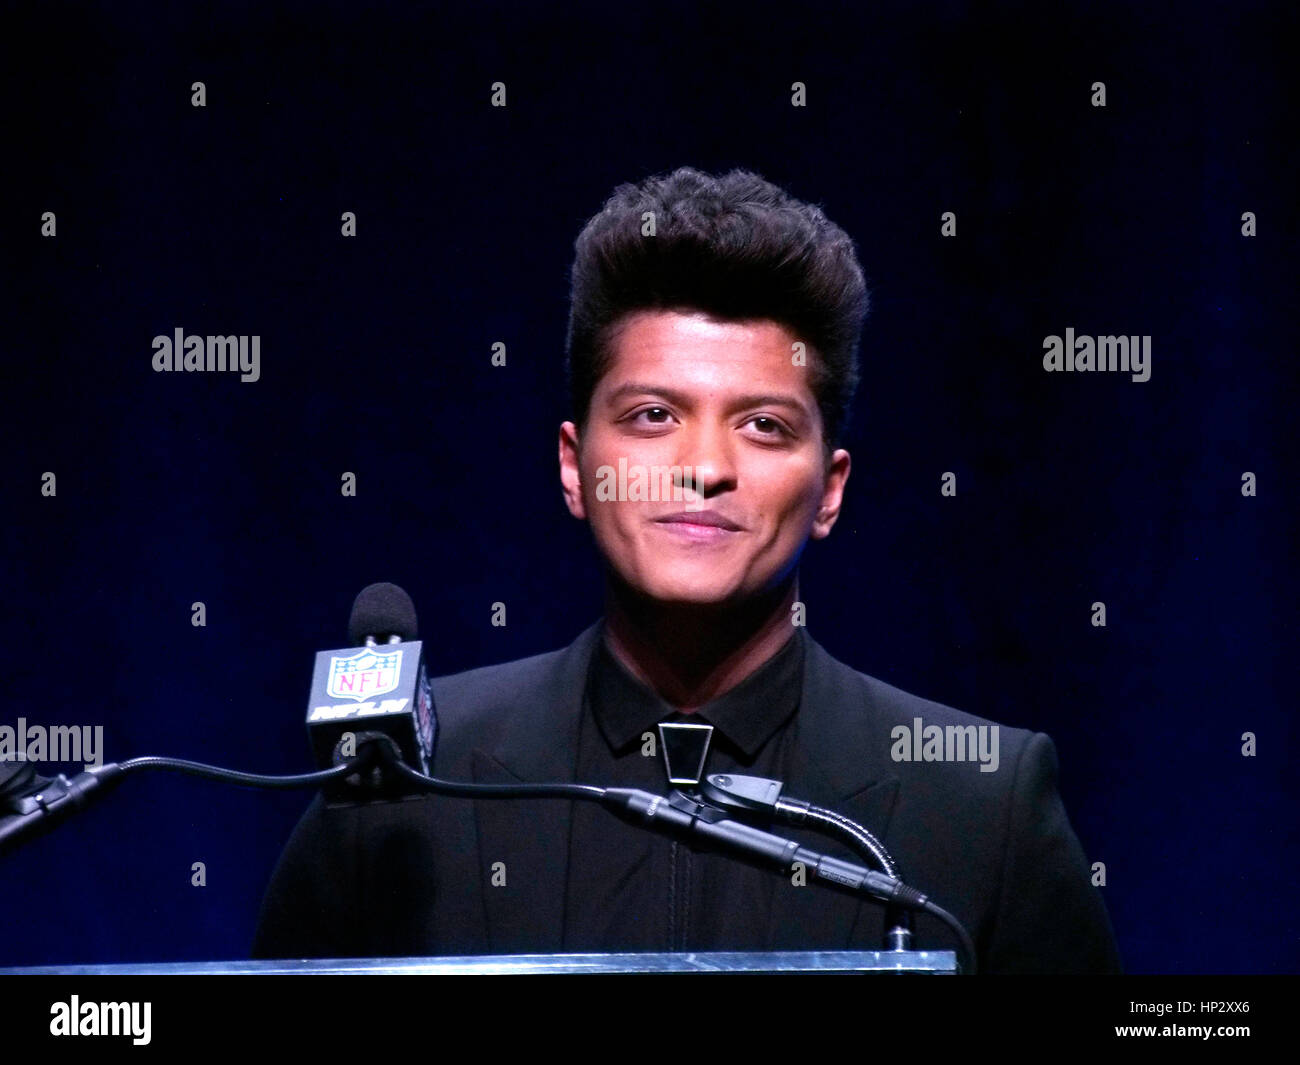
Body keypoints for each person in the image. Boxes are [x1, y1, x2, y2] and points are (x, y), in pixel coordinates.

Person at [252, 167, 1121, 973]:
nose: (704, 466)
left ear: (831, 488)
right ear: (573, 466)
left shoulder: (979, 802)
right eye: (654, 413)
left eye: (765, 427)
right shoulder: (402, 790)